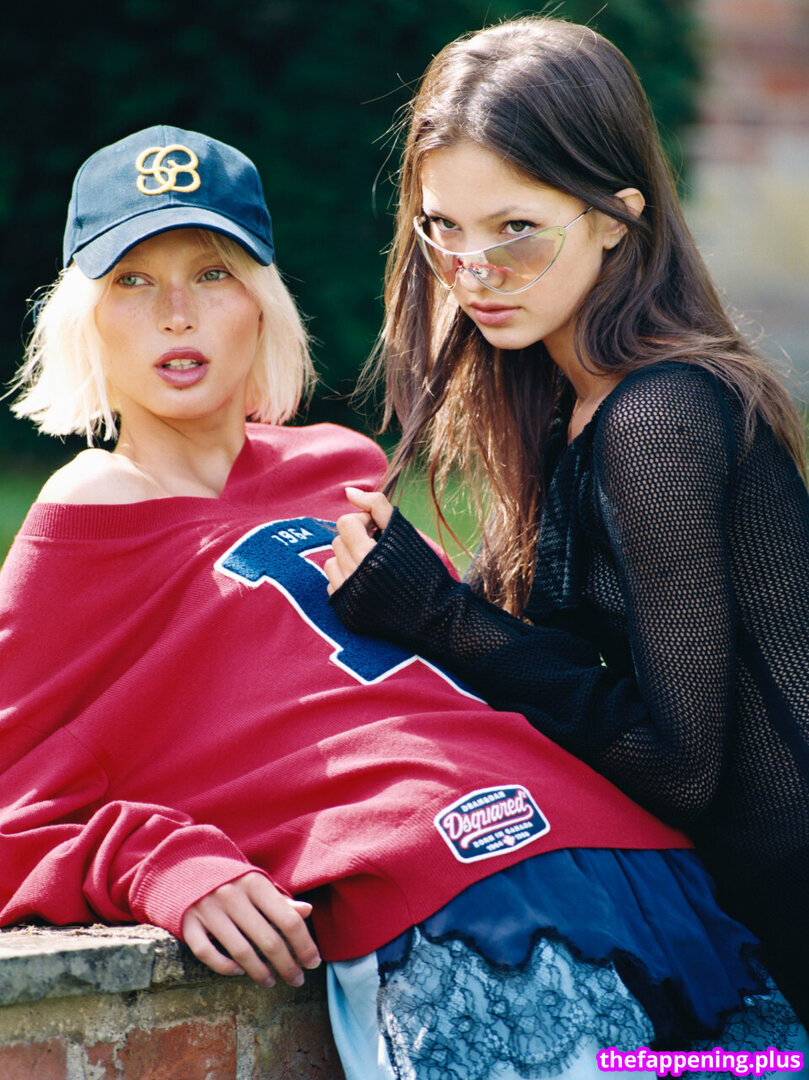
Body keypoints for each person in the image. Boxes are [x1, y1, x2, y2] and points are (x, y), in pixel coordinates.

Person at [0, 126, 804, 1080]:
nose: (176, 313)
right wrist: (159, 863)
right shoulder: (85, 516)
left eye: (213, 274)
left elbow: (466, 670)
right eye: (132, 281)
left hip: (645, 873)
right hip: (465, 923)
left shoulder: (339, 465)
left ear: (261, 305)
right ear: (84, 321)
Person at [323, 15, 809, 1032]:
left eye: (515, 229)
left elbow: (681, 767)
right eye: (442, 228)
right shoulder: (561, 404)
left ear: (616, 218)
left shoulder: (660, 417)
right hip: (721, 938)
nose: (472, 270)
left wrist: (438, 616)